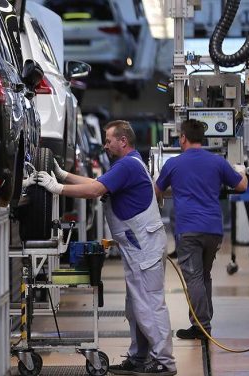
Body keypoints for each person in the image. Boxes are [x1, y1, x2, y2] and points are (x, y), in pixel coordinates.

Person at [36, 120, 176, 376]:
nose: (105, 145)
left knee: (149, 304)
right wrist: (64, 175)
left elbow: (95, 190)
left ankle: (163, 362)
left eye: (109, 140)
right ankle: (139, 357)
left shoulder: (127, 166)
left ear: (123, 141)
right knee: (136, 306)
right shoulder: (128, 164)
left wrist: (58, 188)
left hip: (143, 247)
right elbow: (97, 181)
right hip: (139, 247)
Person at [155, 119, 248, 340]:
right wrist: (241, 170)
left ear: (183, 138)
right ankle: (202, 322)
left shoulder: (174, 164)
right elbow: (241, 185)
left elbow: (156, 191)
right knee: (204, 275)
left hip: (188, 229)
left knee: (194, 278)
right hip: (213, 230)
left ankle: (202, 326)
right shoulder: (217, 162)